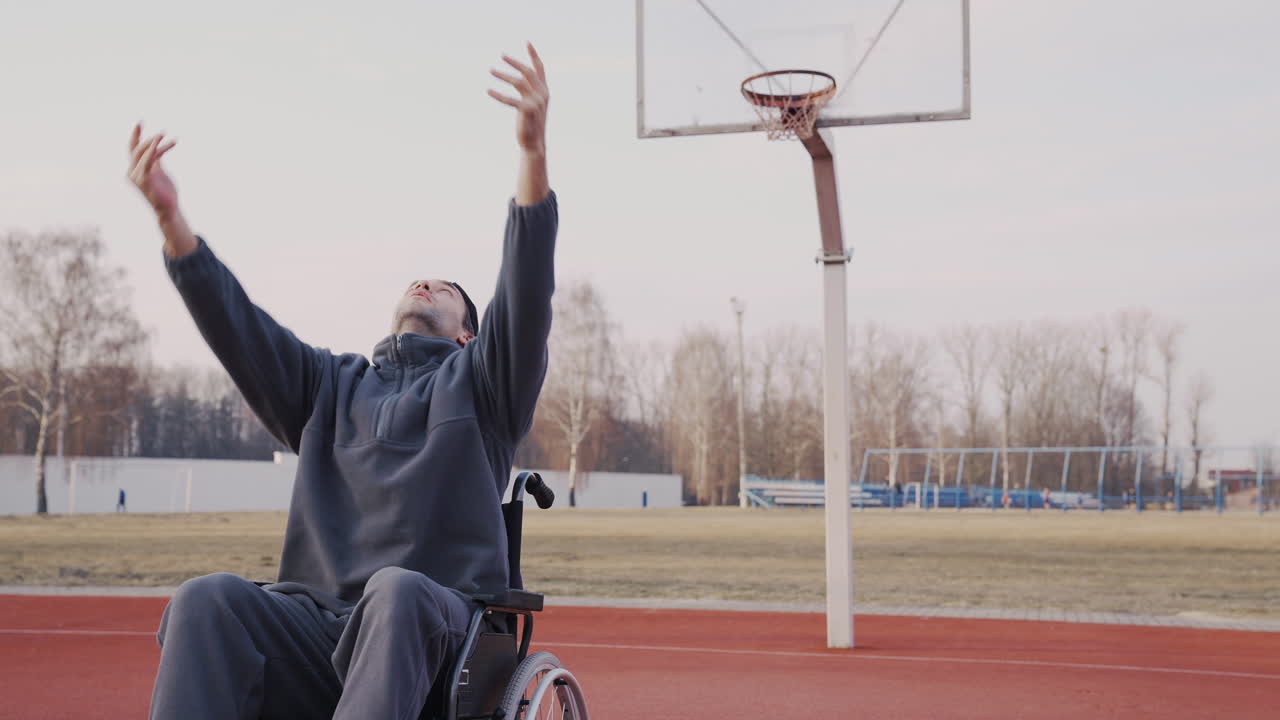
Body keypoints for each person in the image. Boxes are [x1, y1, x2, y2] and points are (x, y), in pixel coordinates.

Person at [127, 45, 555, 720]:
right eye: (417, 281)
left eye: (445, 289)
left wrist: (532, 152)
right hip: (318, 630)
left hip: (439, 625)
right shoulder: (330, 383)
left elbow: (526, 294)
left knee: (395, 590)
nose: (425, 284)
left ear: (468, 336)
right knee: (206, 599)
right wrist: (169, 221)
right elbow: (238, 329)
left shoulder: (483, 385)